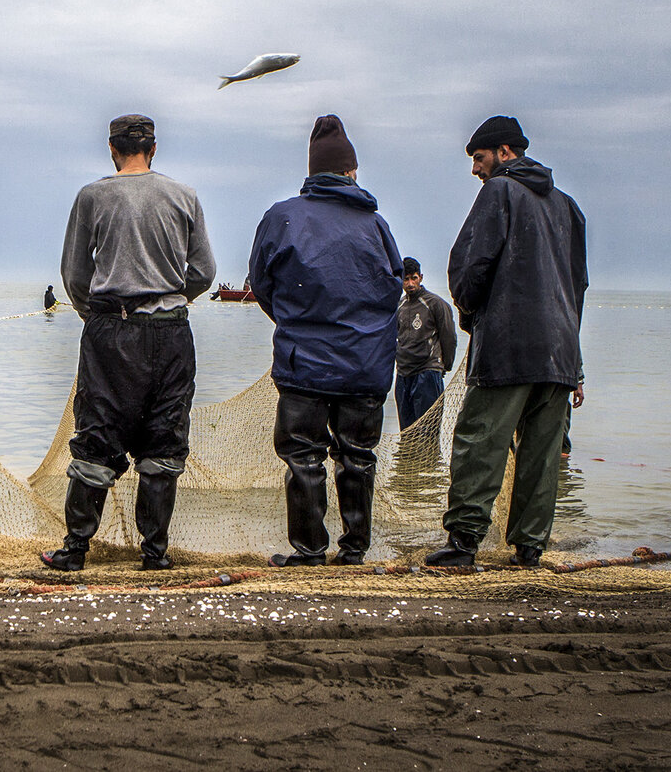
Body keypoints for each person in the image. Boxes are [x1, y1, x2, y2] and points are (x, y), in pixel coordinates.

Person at [43, 114, 216, 571]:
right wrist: (172, 298)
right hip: (172, 332)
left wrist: (97, 316)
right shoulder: (185, 196)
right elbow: (203, 273)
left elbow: (75, 275)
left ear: (112, 149)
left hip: (110, 332)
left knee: (98, 431)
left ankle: (74, 550)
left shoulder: (92, 196)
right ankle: (154, 554)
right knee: (164, 435)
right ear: (153, 149)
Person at [426, 116, 587, 568]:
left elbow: (468, 265)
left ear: (505, 153)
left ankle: (463, 544)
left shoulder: (499, 191)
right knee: (541, 455)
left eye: (479, 158)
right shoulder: (569, 207)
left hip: (508, 346)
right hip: (559, 354)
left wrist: (470, 314)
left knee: (480, 441)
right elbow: (578, 288)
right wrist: (575, 364)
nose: (476, 169)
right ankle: (530, 549)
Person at [248, 115, 402, 567]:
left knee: (303, 456)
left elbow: (261, 283)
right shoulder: (376, 225)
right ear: (351, 171)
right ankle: (354, 550)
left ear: (313, 172)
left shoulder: (283, 217)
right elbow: (392, 289)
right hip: (366, 365)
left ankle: (310, 550)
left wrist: (295, 321)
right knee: (358, 456)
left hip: (304, 363)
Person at [395, 257, 457, 430]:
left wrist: (446, 365)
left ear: (420, 277)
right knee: (407, 434)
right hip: (403, 374)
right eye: (405, 279)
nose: (410, 284)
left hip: (428, 372)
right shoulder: (399, 306)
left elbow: (449, 337)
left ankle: (432, 458)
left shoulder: (435, 304)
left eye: (413, 278)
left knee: (427, 432)